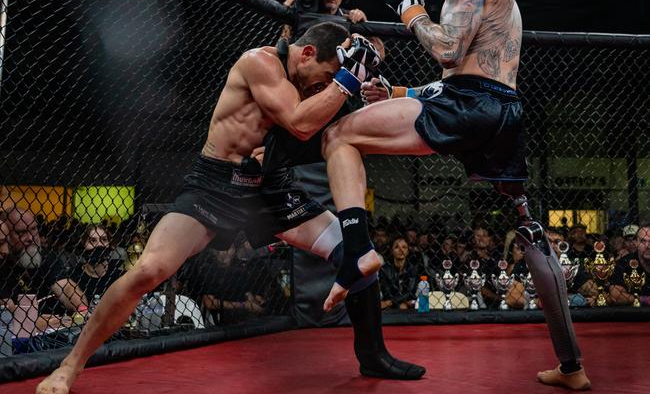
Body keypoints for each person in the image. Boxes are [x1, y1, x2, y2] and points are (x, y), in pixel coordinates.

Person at [36, 22, 423, 394]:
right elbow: (299, 123)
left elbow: (313, 134)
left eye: (332, 78)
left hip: (268, 188)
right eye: (325, 74)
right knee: (149, 270)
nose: (327, 84)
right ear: (306, 54)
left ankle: (373, 355)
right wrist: (346, 81)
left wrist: (370, 86)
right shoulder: (260, 62)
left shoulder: (317, 84)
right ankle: (69, 365)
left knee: (355, 250)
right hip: (216, 186)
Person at [320, 0, 590, 390]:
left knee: (338, 135)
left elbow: (447, 51)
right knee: (529, 231)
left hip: (469, 107)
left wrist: (410, 13)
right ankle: (572, 367)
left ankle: (358, 250)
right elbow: (463, 74)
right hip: (502, 110)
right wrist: (400, 91)